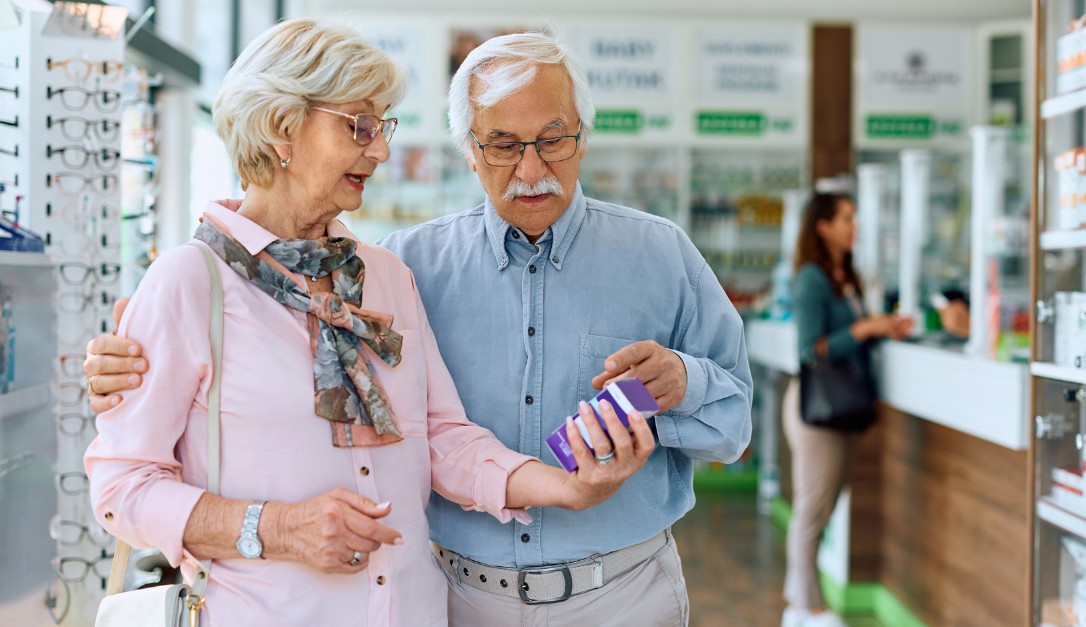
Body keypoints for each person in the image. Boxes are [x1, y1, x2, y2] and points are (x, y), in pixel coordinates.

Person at [85, 31, 752, 626]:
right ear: (281, 129)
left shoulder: (382, 277)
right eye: (359, 126)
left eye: (552, 139)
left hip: (446, 606)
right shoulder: (191, 283)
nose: (379, 148)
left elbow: (439, 438)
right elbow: (121, 484)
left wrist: (569, 487)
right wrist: (277, 527)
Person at [781, 193, 911, 627]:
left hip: (843, 408)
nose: (855, 226)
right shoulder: (811, 280)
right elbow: (809, 348)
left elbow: (849, 339)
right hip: (817, 409)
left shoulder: (847, 276)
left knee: (822, 508)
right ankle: (812, 608)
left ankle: (796, 603)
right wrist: (863, 327)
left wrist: (881, 329)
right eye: (847, 219)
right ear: (823, 226)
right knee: (812, 512)